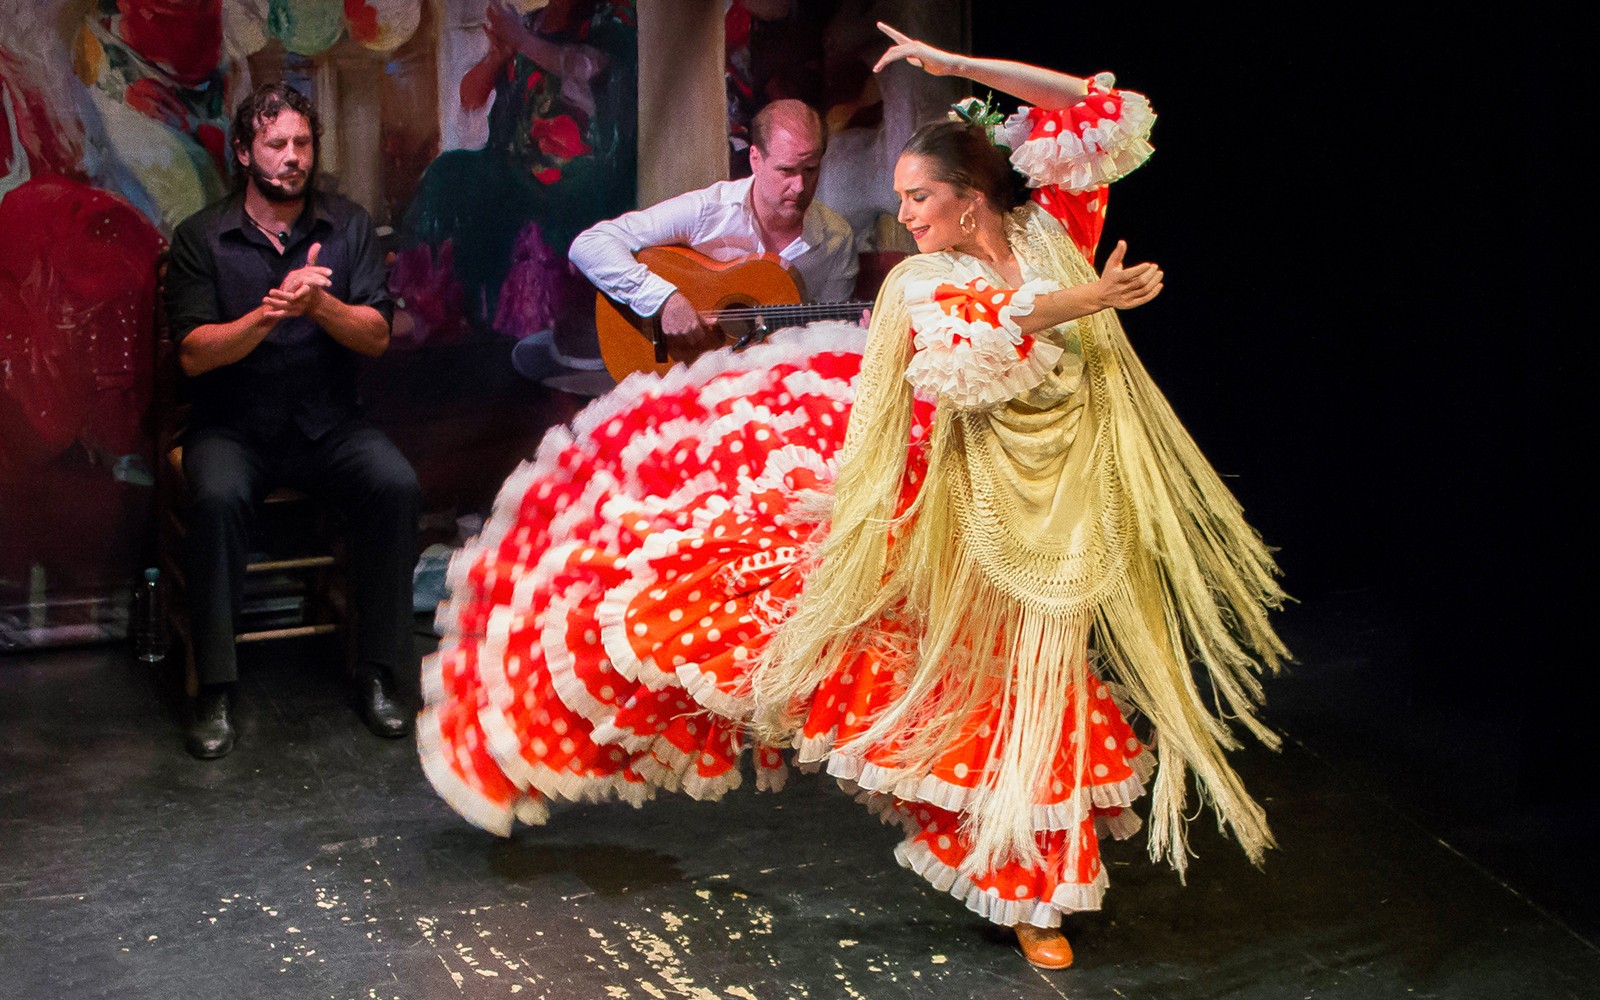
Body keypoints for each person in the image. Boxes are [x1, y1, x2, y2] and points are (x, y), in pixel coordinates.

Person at [419, 26, 1287, 972]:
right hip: (970, 513)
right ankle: (1031, 890)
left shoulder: (1055, 234)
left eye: (920, 198)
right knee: (966, 682)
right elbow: (994, 327)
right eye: (905, 200)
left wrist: (957, 69)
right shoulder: (929, 281)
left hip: (1070, 503)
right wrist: (1087, 303)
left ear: (974, 197)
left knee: (1048, 687)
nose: (905, 217)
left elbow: (1093, 98)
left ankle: (1030, 875)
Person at [165, 83, 421, 760]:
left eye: (302, 143)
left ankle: (380, 675)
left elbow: (374, 336)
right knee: (215, 495)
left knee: (394, 485)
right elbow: (194, 355)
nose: (291, 157)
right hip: (232, 426)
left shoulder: (349, 226)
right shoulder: (201, 239)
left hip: (328, 423)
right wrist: (274, 310)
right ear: (246, 152)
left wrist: (321, 308)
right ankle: (215, 689)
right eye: (276, 144)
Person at [567, 98, 859, 363]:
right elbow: (590, 243)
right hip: (684, 377)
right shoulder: (708, 210)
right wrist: (661, 300)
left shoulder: (837, 239)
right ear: (755, 159)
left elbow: (826, 341)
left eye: (810, 170)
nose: (800, 186)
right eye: (786, 171)